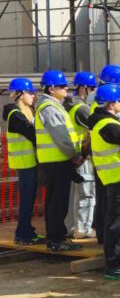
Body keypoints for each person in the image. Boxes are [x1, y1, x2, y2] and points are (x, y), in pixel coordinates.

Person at [35, 70, 85, 252]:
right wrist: (74, 155)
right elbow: (61, 136)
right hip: (57, 161)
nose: (66, 88)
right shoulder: (49, 108)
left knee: (54, 201)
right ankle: (57, 239)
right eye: (62, 86)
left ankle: (55, 237)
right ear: (51, 89)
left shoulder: (52, 106)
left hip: (55, 161)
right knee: (58, 202)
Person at [89, 84, 120, 281]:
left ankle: (114, 260)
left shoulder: (99, 122)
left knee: (113, 221)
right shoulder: (109, 125)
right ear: (111, 103)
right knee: (116, 223)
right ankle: (113, 264)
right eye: (119, 101)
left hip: (112, 178)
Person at [4, 78, 43, 245]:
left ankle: (27, 230)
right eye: (30, 93)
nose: (33, 96)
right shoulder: (16, 115)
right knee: (27, 199)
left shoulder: (24, 112)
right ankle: (22, 234)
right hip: (24, 163)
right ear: (20, 94)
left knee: (29, 198)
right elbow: (32, 134)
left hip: (28, 163)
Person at [64, 71, 98, 239]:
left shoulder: (69, 105)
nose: (94, 92)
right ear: (84, 88)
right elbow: (96, 129)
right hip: (83, 157)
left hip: (73, 157)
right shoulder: (82, 108)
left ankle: (71, 227)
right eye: (92, 89)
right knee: (86, 193)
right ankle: (83, 228)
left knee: (74, 196)